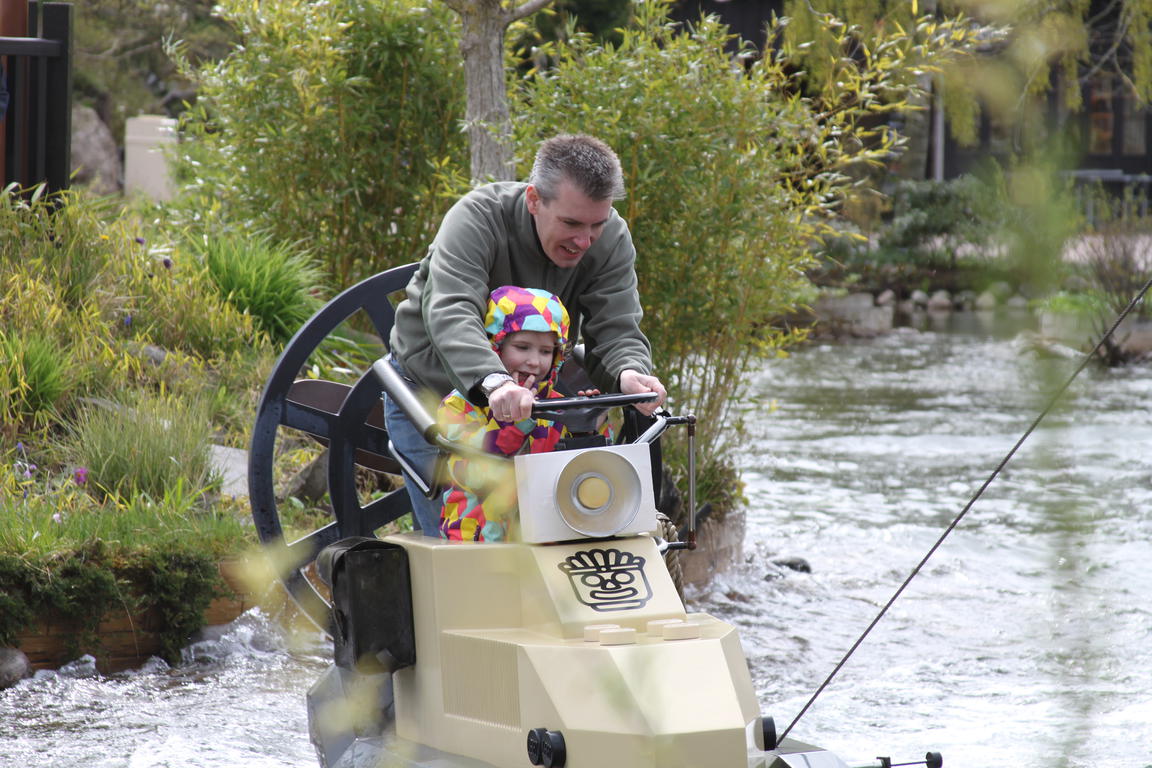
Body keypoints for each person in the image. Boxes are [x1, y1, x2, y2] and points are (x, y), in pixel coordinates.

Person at [384, 133, 666, 535]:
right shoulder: (477, 218)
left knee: (554, 539)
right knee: (459, 547)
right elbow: (452, 310)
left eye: (596, 225)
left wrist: (629, 372)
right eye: (571, 223)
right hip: (434, 400)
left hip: (534, 408)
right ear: (534, 199)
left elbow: (617, 327)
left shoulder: (612, 238)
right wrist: (495, 381)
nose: (584, 241)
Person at [437, 286, 611, 542]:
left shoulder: (558, 405)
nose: (534, 361)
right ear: (495, 346)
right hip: (476, 540)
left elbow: (587, 475)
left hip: (546, 539)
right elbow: (473, 477)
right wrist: (515, 423)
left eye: (545, 351)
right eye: (522, 347)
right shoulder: (458, 406)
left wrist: (587, 426)